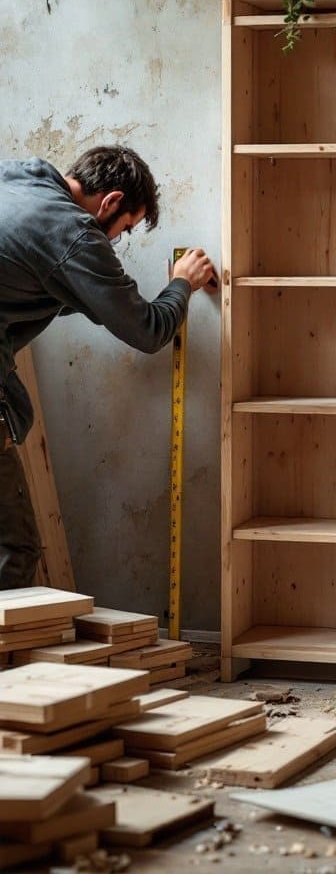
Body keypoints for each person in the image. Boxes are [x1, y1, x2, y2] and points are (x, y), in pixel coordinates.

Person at [0, 145, 217, 590]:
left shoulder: (14, 179)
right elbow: (148, 330)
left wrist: (98, 295)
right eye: (124, 230)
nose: (115, 241)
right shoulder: (73, 232)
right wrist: (182, 282)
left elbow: (33, 282)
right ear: (111, 202)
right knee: (13, 551)